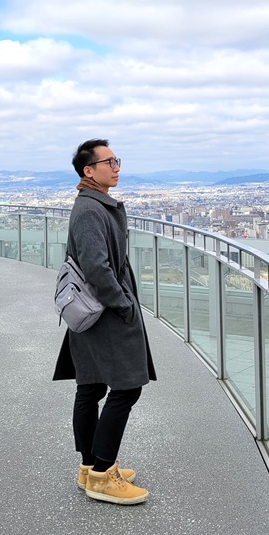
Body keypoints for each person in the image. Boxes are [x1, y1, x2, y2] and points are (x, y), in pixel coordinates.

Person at [52, 139, 156, 505]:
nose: (116, 166)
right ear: (88, 171)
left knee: (91, 386)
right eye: (108, 161)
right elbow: (98, 267)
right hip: (105, 312)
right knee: (126, 388)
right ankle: (103, 475)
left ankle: (90, 467)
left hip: (94, 311)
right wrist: (123, 304)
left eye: (116, 160)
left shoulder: (93, 205)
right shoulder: (90, 211)